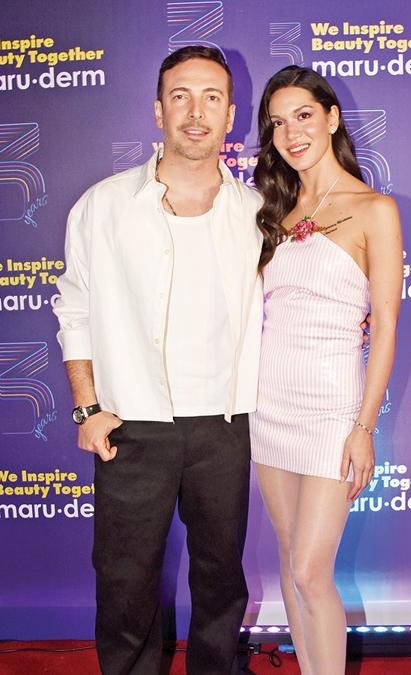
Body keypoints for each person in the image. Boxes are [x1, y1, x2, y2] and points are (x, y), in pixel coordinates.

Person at [52, 46, 263, 675]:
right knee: (124, 581)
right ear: (157, 110)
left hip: (225, 424)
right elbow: (74, 310)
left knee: (221, 578)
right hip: (131, 423)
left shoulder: (258, 214)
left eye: (212, 98)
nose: (196, 112)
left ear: (231, 115)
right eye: (181, 96)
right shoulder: (102, 206)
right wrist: (87, 407)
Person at [249, 65, 402, 675]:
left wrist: (364, 426)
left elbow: (385, 327)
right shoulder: (271, 210)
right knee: (290, 560)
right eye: (277, 123)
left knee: (312, 569)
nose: (291, 134)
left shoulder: (375, 209)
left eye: (304, 116)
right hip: (270, 405)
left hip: (333, 410)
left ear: (332, 118)